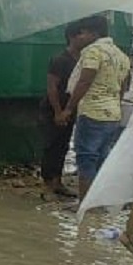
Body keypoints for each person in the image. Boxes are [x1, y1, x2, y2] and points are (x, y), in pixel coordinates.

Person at [59, 15, 132, 201]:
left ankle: (85, 205)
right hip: (113, 115)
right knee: (102, 158)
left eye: (83, 33)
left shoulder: (93, 51)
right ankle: (100, 202)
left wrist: (68, 108)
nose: (80, 37)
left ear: (93, 33)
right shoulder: (120, 55)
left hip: (93, 113)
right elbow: (122, 87)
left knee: (86, 159)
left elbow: (84, 81)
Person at [40, 21, 93, 198]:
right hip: (54, 108)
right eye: (81, 35)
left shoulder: (84, 60)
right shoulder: (60, 60)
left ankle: (57, 182)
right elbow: (52, 87)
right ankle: (48, 185)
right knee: (51, 145)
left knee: (63, 145)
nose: (85, 38)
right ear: (72, 37)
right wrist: (58, 111)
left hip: (70, 109)